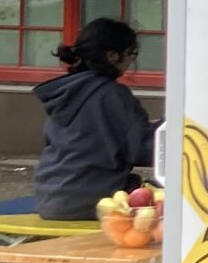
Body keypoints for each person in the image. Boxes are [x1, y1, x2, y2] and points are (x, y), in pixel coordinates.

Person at [22, 20, 156, 220]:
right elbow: (142, 150)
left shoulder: (65, 93)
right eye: (131, 53)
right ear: (112, 55)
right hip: (93, 201)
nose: (131, 61)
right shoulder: (112, 94)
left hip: (49, 198)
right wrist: (168, 126)